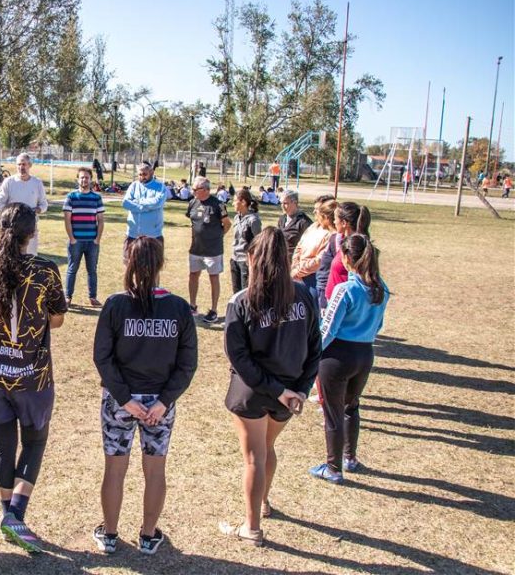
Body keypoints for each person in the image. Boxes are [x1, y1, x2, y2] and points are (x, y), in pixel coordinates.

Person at [0, 203, 67, 553]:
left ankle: (7, 513)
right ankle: (15, 515)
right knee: (35, 441)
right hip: (32, 376)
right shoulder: (46, 270)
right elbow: (57, 320)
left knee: (2, 444)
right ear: (32, 233)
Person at [92, 237, 197, 555]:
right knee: (155, 469)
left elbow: (102, 358)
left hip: (121, 403)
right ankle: (148, 535)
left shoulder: (116, 304)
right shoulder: (178, 307)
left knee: (115, 468)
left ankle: (110, 534)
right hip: (158, 405)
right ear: (161, 264)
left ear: (129, 263)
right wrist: (164, 401)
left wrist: (125, 399)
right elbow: (187, 363)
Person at [219, 227, 321, 546]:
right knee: (265, 449)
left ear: (253, 259)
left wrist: (294, 390)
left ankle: (251, 528)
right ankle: (262, 503)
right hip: (287, 395)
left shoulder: (243, 301)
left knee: (254, 457)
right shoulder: (303, 295)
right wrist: (299, 389)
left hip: (256, 394)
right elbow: (316, 348)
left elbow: (238, 359)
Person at [310, 234, 389, 484]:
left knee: (332, 412)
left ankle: (333, 467)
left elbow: (329, 328)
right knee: (351, 406)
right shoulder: (381, 289)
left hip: (337, 356)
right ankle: (349, 457)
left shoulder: (346, 289)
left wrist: (311, 354)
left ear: (346, 258)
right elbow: (379, 326)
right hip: (365, 353)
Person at [186, 176, 231, 323]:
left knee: (213, 278)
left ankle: (213, 310)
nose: (192, 191)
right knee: (193, 275)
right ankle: (192, 305)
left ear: (205, 190)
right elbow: (192, 222)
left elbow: (227, 224)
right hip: (196, 248)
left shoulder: (218, 205)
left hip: (213, 249)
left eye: (195, 189)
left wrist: (218, 236)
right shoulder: (192, 202)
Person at [63, 167, 105, 307]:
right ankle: (67, 297)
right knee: (72, 269)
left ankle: (93, 297)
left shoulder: (97, 198)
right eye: (81, 177)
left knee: (92, 270)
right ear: (77, 179)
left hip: (92, 241)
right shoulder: (71, 197)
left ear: (90, 179)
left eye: (87, 177)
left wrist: (97, 239)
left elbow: (100, 220)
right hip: (76, 241)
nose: (84, 180)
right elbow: (67, 220)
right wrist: (72, 238)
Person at [0, 153, 49, 255]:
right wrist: (13, 212)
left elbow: (44, 205)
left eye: (24, 164)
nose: (21, 167)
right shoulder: (9, 182)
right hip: (11, 229)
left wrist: (34, 211)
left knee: (30, 258)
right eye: (19, 164)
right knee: (10, 257)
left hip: (30, 228)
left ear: (30, 165)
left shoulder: (37, 183)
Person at [324, 202, 371, 305]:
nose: (334, 221)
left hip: (344, 304)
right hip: (334, 301)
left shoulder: (354, 248)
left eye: (335, 218)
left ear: (344, 223)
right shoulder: (344, 242)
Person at [291, 197, 336, 299]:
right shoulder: (313, 226)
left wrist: (298, 271)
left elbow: (319, 260)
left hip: (313, 279)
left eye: (318, 209)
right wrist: (295, 265)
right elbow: (299, 246)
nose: (314, 212)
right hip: (297, 273)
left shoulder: (331, 234)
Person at [122, 161, 168, 260]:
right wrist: (146, 207)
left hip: (153, 236)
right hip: (132, 235)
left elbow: (157, 203)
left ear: (151, 173)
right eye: (140, 174)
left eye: (144, 174)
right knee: (129, 265)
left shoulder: (160, 187)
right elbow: (125, 203)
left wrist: (137, 202)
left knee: (154, 269)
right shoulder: (134, 186)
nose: (142, 177)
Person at [230, 189, 262, 294]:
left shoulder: (253, 220)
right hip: (235, 259)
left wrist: (252, 261)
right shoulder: (236, 217)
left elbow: (258, 243)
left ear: (243, 202)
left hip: (246, 261)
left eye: (235, 201)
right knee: (236, 291)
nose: (232, 203)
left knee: (245, 291)